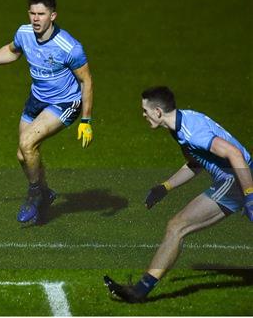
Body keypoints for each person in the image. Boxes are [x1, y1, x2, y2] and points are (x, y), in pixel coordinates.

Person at [104, 86, 253, 303]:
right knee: (176, 227)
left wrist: (249, 195)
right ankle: (140, 290)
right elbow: (195, 164)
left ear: (157, 112)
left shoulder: (191, 131)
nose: (143, 115)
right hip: (235, 179)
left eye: (145, 111)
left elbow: (235, 154)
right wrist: (165, 187)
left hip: (236, 180)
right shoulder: (180, 127)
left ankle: (139, 291)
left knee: (177, 226)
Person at [0, 0, 94, 224]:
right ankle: (46, 192)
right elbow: (12, 51)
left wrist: (86, 121)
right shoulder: (24, 33)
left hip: (64, 102)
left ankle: (35, 194)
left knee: (27, 144)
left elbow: (86, 81)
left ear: (52, 16)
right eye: (32, 13)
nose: (35, 19)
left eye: (41, 14)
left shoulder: (69, 47)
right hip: (37, 99)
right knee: (23, 155)